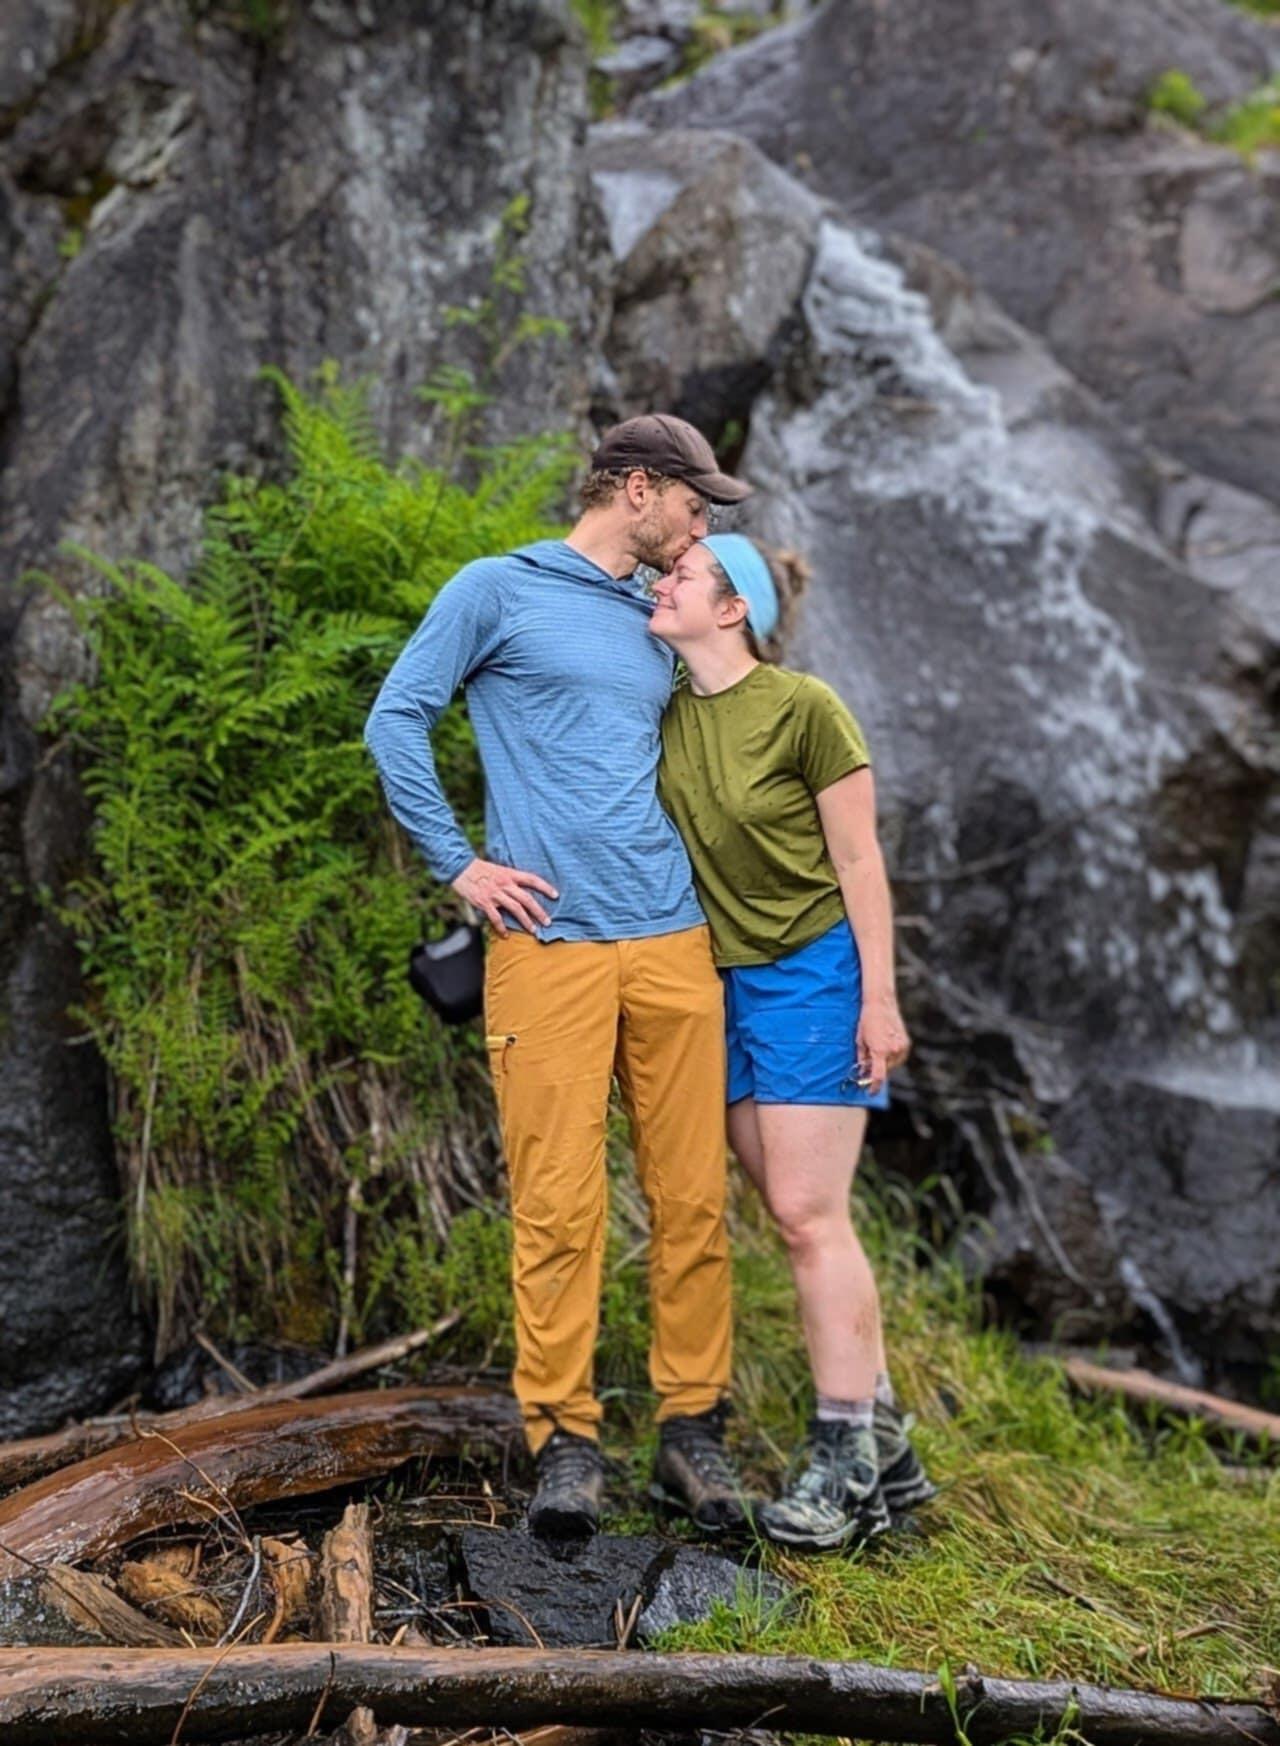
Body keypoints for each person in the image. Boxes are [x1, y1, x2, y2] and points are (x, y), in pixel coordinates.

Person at [364, 415, 753, 1540]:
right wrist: (459, 865)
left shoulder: (662, 615)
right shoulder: (498, 590)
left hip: (676, 943)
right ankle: (566, 1441)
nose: (701, 526)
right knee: (557, 1205)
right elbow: (395, 718)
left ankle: (692, 1432)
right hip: (547, 950)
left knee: (693, 1199)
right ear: (636, 488)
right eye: (693, 504)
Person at [650, 533, 936, 1550]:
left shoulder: (805, 708)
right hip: (715, 979)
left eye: (683, 575)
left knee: (810, 1217)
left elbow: (859, 860)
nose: (661, 582)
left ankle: (841, 1456)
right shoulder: (664, 708)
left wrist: (879, 1002)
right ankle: (887, 1447)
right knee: (790, 1212)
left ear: (734, 609)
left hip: (812, 974)